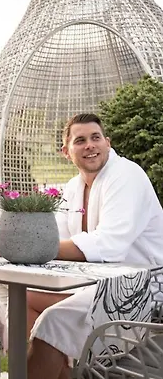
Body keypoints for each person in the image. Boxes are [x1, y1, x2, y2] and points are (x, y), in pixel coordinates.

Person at [26, 113, 163, 379]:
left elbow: (109, 245)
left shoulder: (126, 175)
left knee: (54, 319)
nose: (90, 145)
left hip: (144, 288)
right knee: (25, 299)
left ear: (107, 143)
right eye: (80, 140)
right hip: (100, 284)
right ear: (66, 152)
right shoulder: (73, 187)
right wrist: (25, 242)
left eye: (95, 138)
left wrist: (34, 247)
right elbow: (57, 238)